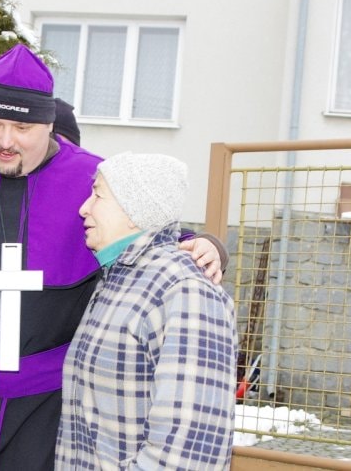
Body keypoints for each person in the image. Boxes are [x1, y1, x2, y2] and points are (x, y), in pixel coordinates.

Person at [0, 44, 226, 470]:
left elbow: (143, 233)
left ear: (49, 125)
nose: (5, 140)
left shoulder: (92, 180)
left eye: (22, 127)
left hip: (46, 411)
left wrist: (204, 245)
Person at [56, 152, 237, 470]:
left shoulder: (184, 289)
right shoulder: (121, 278)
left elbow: (187, 451)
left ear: (133, 209)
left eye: (98, 195)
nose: (84, 208)